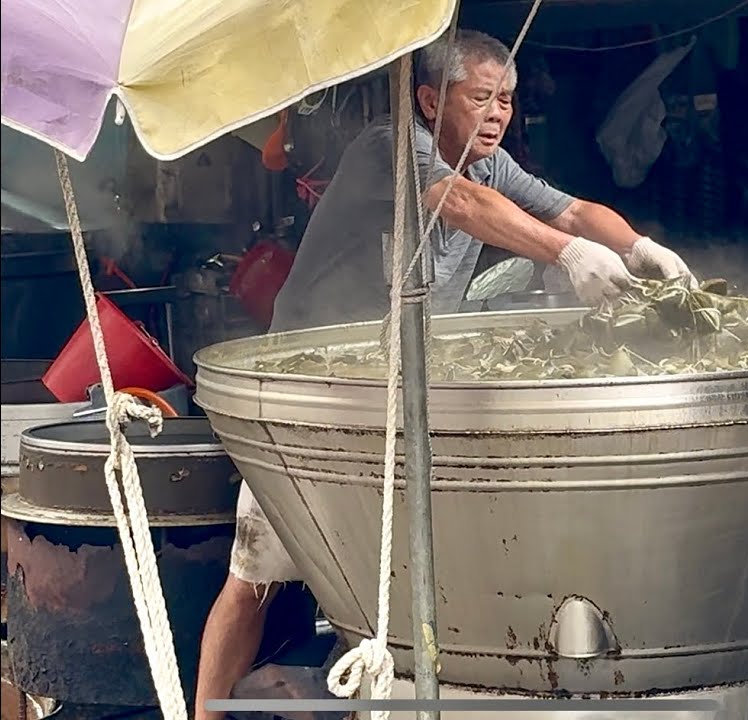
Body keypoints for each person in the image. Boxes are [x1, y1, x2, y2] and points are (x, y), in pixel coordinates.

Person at [193, 30, 695, 719]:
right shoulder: (392, 146)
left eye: (508, 100)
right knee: (256, 574)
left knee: (399, 576)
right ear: (430, 100)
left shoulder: (494, 166)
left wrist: (638, 247)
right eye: (481, 97)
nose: (498, 114)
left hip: (406, 390)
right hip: (311, 391)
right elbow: (460, 205)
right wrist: (567, 253)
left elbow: (572, 208)